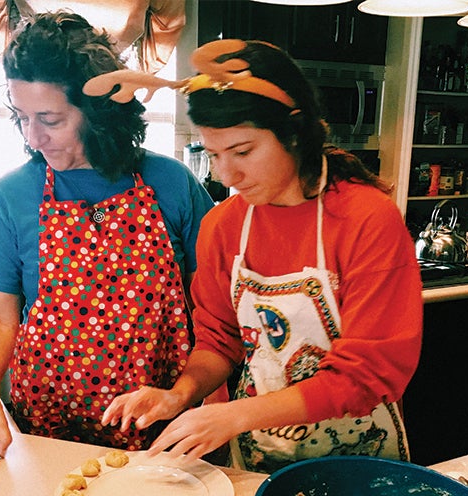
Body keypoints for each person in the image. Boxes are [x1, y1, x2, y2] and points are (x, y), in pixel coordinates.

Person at [98, 40, 423, 473]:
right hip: (257, 453)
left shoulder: (367, 219)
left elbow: (368, 375)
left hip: (358, 455)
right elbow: (219, 339)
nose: (226, 175)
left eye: (243, 151)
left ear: (293, 131)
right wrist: (180, 394)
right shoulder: (223, 227)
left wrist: (235, 415)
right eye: (213, 154)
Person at [0, 12, 213, 474]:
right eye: (22, 117)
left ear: (99, 113)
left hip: (159, 432)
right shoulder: (10, 197)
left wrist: (203, 392)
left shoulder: (171, 183)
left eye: (50, 119)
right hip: (48, 434)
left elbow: (212, 302)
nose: (32, 136)